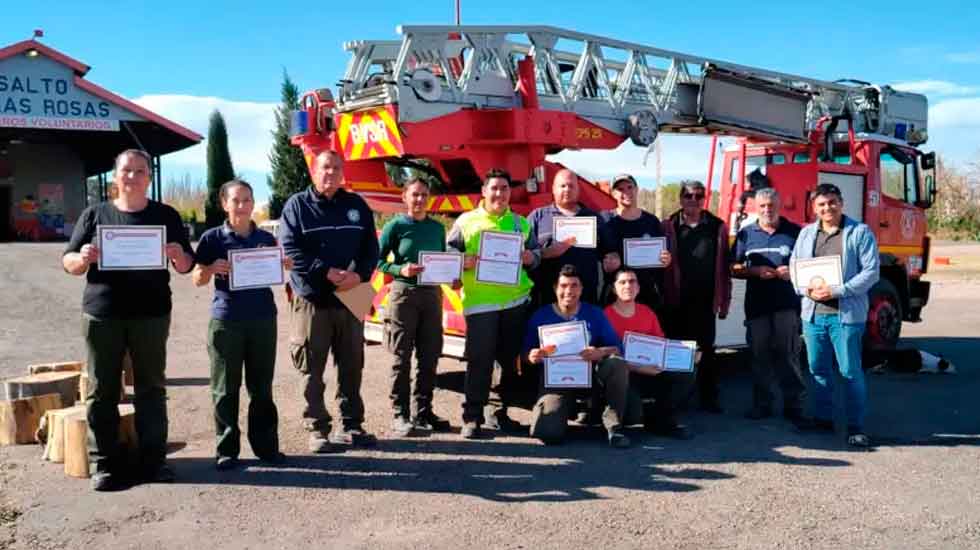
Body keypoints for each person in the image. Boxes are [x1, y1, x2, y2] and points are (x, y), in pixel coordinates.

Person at [63, 149, 195, 491]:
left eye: (139, 171)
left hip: (151, 315)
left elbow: (185, 266)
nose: (132, 176)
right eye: (126, 170)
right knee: (101, 388)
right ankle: (104, 463)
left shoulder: (165, 215)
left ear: (149, 177)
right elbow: (68, 261)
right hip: (102, 314)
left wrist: (180, 255)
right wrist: (83, 258)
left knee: (151, 387)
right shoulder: (95, 214)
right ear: (115, 176)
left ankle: (154, 461)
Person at [279, 150, 380, 453]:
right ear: (313, 170)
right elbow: (290, 249)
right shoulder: (296, 206)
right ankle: (317, 429)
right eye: (325, 167)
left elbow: (370, 248)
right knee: (311, 366)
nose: (331, 173)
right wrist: (325, 272)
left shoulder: (356, 204)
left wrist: (360, 276)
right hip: (313, 297)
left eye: (337, 168)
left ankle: (351, 424)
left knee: (353, 364)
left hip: (353, 293)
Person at [193, 179, 290, 470]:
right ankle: (227, 449)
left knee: (261, 387)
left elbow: (279, 269)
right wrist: (210, 269)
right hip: (226, 320)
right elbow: (196, 278)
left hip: (262, 319)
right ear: (224, 204)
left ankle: (266, 448)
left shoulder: (265, 238)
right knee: (225, 388)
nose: (242, 205)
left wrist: (283, 265)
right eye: (236, 200)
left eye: (247, 200)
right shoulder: (212, 238)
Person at [447, 169, 538, 439]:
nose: (499, 193)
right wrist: (463, 260)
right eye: (494, 188)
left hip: (515, 303)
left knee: (509, 363)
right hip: (481, 304)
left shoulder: (521, 224)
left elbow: (535, 257)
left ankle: (500, 414)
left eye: (505, 189)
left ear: (510, 193)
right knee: (480, 361)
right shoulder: (466, 221)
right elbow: (450, 254)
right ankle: (472, 417)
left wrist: (531, 257)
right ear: (484, 192)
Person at [791, 183, 879, 447]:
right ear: (814, 208)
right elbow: (795, 267)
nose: (827, 208)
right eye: (821, 204)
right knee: (818, 369)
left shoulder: (859, 232)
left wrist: (838, 290)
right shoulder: (806, 234)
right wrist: (804, 288)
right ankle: (823, 419)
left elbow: (871, 272)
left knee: (850, 371)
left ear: (841, 203)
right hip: (813, 315)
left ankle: (856, 427)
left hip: (846, 317)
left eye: (832, 202)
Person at [377, 179, 455, 436]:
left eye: (424, 195)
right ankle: (400, 414)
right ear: (404, 197)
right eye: (415, 195)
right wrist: (400, 268)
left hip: (432, 295)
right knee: (401, 357)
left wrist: (452, 277)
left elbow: (441, 260)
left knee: (430, 356)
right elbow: (377, 261)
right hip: (404, 295)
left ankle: (423, 412)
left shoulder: (436, 228)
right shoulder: (395, 226)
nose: (419, 199)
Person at [525, 265, 631, 448]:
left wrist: (600, 352)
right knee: (548, 433)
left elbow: (618, 348)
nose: (569, 291)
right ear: (555, 289)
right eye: (564, 285)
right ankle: (566, 410)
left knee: (617, 364)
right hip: (556, 381)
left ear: (581, 289)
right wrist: (532, 356)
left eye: (574, 285)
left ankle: (614, 426)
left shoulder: (594, 314)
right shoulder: (541, 316)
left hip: (590, 378)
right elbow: (525, 353)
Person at [731, 188, 806, 424]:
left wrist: (792, 271)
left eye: (771, 205)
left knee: (788, 355)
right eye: (762, 206)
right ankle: (762, 404)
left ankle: (794, 405)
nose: (767, 210)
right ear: (755, 207)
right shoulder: (746, 234)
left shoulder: (796, 232)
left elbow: (811, 265)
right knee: (759, 356)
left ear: (779, 204)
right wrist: (754, 271)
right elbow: (733, 267)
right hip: (757, 307)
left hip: (786, 305)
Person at [663, 180, 732, 413]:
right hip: (676, 299)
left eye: (698, 196)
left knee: (707, 350)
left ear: (705, 199)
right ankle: (677, 397)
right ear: (680, 199)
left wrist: (724, 301)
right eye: (688, 195)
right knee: (677, 349)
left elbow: (725, 269)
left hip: (706, 300)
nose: (693, 200)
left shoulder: (717, 227)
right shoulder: (668, 226)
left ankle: (709, 397)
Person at [604, 268, 691, 439]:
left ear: (638, 287)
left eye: (632, 281)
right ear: (614, 288)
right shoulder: (605, 315)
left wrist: (686, 355)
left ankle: (663, 421)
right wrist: (639, 368)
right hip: (624, 375)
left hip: (650, 369)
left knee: (688, 370)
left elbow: (660, 344)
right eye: (622, 282)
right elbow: (607, 358)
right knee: (633, 416)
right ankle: (638, 417)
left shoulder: (647, 312)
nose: (628, 285)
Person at [528, 169, 617, 306]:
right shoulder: (538, 217)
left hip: (585, 296)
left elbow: (608, 250)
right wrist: (546, 253)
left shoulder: (594, 218)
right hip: (547, 295)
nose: (567, 189)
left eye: (571, 186)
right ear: (553, 189)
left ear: (578, 189)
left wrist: (612, 258)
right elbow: (524, 254)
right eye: (562, 185)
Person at [600, 174, 672, 309]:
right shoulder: (604, 220)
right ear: (613, 193)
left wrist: (666, 259)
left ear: (637, 189)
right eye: (620, 189)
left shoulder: (651, 221)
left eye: (629, 187)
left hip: (646, 293)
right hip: (615, 293)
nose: (626, 192)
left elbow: (663, 256)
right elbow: (595, 253)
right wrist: (604, 263)